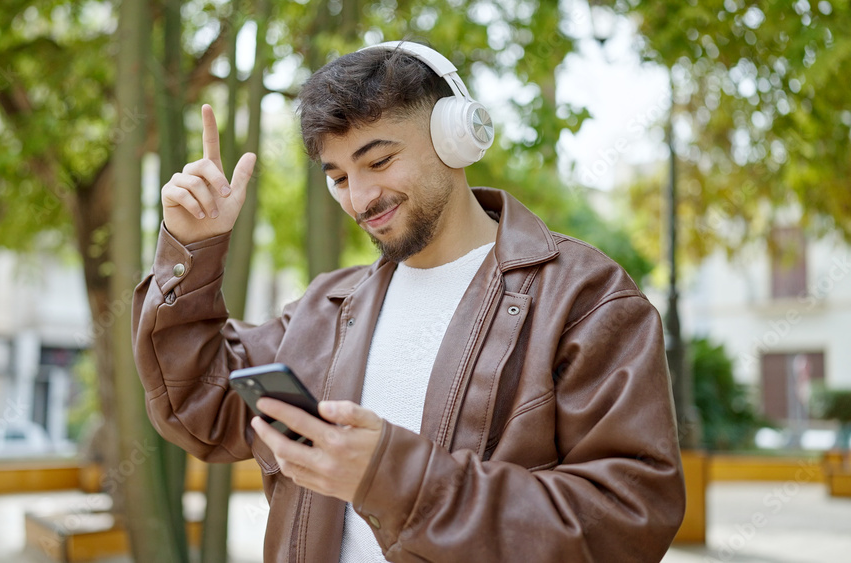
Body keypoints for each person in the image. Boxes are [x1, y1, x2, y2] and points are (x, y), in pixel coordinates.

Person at [132, 40, 685, 562]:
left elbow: (625, 521)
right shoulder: (327, 304)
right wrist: (193, 250)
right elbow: (200, 406)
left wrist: (394, 477)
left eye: (379, 161)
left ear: (456, 138)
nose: (361, 197)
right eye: (339, 176)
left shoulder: (585, 297)